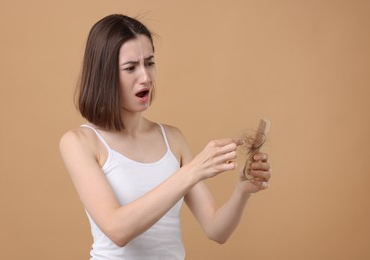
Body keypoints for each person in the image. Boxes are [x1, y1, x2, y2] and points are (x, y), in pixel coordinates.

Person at [59, 14, 271, 260]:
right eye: (131, 68)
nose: (146, 77)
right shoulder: (79, 142)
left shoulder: (172, 138)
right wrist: (192, 171)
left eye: (149, 63)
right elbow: (118, 230)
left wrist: (242, 191)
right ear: (104, 74)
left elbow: (216, 229)